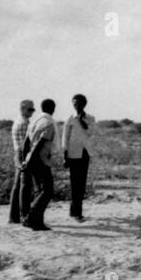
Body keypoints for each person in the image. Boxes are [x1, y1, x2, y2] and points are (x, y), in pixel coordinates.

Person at [21, 98, 57, 231]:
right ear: (53, 109)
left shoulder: (35, 121)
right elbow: (40, 144)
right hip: (40, 160)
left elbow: (26, 143)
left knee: (39, 191)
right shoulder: (49, 123)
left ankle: (38, 222)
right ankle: (30, 218)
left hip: (31, 158)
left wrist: (25, 160)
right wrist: (30, 162)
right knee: (47, 191)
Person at [62, 93, 94, 222]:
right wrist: (65, 155)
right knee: (75, 183)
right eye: (74, 103)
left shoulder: (90, 118)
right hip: (73, 154)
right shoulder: (69, 119)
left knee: (82, 183)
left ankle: (74, 210)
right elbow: (65, 137)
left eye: (79, 103)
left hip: (85, 153)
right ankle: (77, 213)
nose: (76, 105)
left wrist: (81, 120)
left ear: (84, 104)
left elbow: (91, 132)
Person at [8, 99, 34, 224]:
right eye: (30, 109)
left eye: (33, 109)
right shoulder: (24, 123)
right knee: (24, 186)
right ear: (22, 109)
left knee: (18, 186)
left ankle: (14, 217)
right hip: (23, 155)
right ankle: (23, 216)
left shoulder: (18, 121)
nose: (32, 112)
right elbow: (26, 144)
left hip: (18, 154)